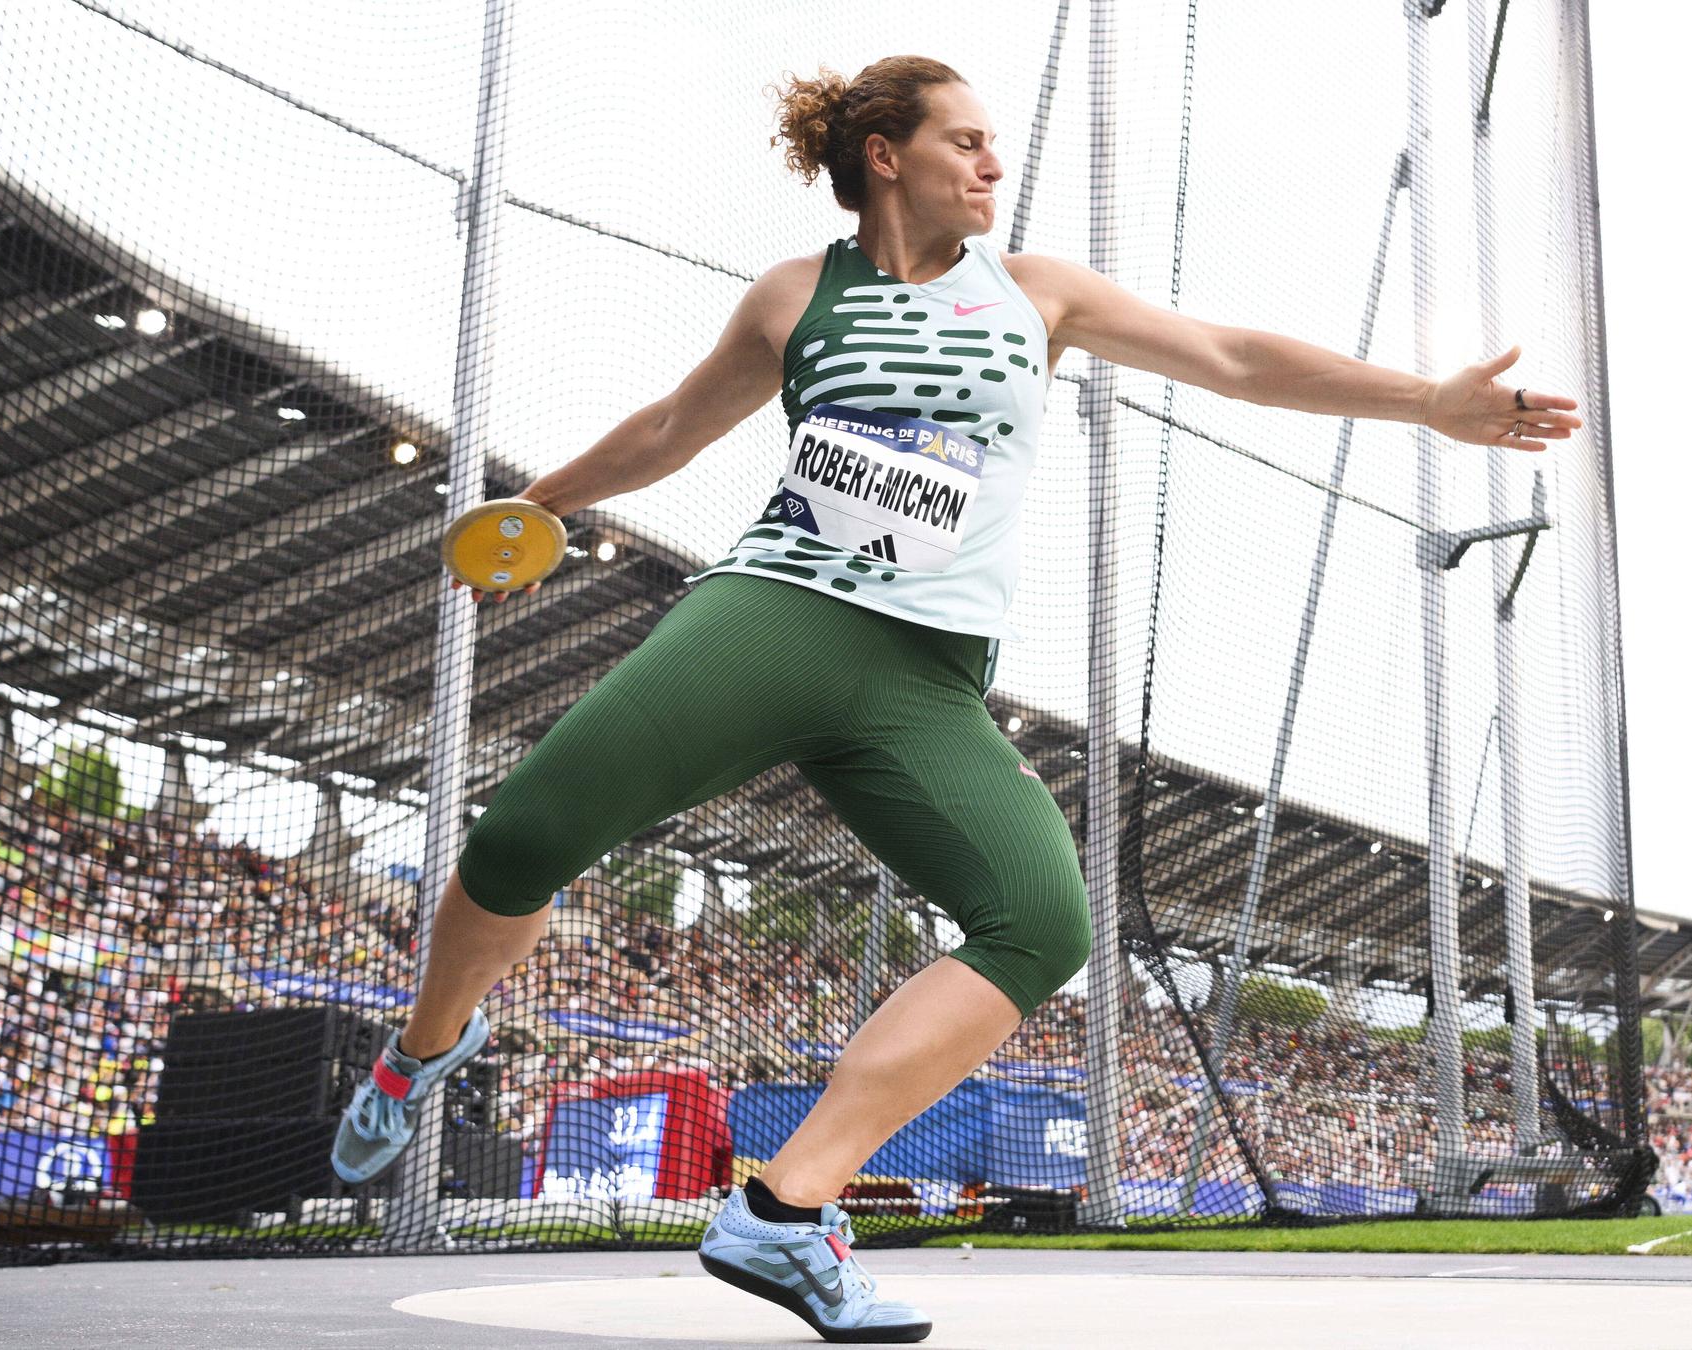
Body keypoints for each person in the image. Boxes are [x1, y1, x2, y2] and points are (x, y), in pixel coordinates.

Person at [330, 55, 1579, 1343]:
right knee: (523, 838)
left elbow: (1231, 356)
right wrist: (544, 505)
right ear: (886, 153)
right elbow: (672, 428)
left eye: (995, 143)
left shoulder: (1037, 294)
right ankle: (423, 1050)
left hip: (927, 673)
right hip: (778, 613)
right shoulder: (797, 294)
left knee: (1041, 920)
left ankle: (785, 1209)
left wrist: (1429, 402)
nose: (993, 163)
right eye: (966, 141)